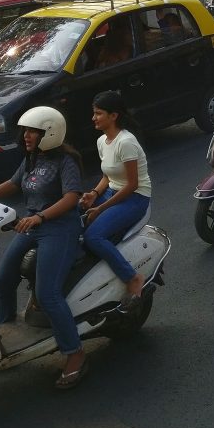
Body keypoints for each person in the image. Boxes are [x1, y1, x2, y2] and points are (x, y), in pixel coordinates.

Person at [0, 107, 87, 389]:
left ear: (49, 133)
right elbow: (13, 183)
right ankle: (8, 338)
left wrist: (39, 216)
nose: (26, 136)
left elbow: (72, 198)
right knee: (3, 281)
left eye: (32, 131)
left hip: (59, 228)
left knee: (47, 293)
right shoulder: (33, 157)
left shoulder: (66, 161)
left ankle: (74, 353)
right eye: (25, 131)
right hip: (33, 226)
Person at [78, 91, 150, 310]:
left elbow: (132, 184)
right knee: (76, 223)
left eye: (98, 113)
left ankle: (132, 277)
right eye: (94, 113)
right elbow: (107, 177)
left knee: (94, 236)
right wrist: (94, 194)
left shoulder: (126, 142)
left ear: (114, 116)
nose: (94, 118)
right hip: (113, 193)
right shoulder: (102, 141)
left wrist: (100, 208)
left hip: (135, 198)